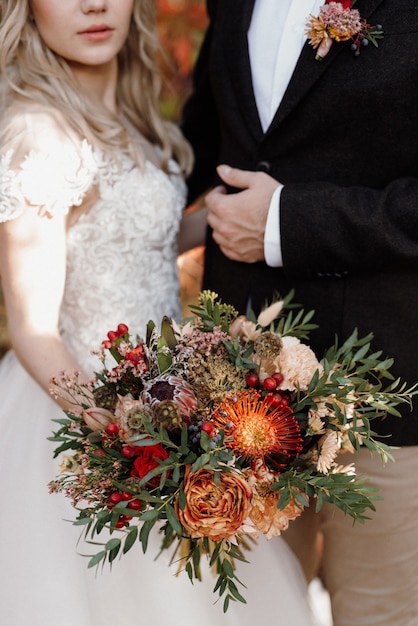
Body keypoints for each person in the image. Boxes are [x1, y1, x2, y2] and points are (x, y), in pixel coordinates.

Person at [0, 1, 317, 625]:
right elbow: (33, 330)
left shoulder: (135, 115)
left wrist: (269, 217)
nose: (94, 5)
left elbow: (129, 239)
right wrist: (127, 438)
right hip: (86, 411)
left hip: (171, 402)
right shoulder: (39, 132)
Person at [181, 1, 418, 625]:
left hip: (385, 388)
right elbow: (212, 131)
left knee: (378, 615)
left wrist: (289, 223)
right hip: (234, 388)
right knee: (246, 613)